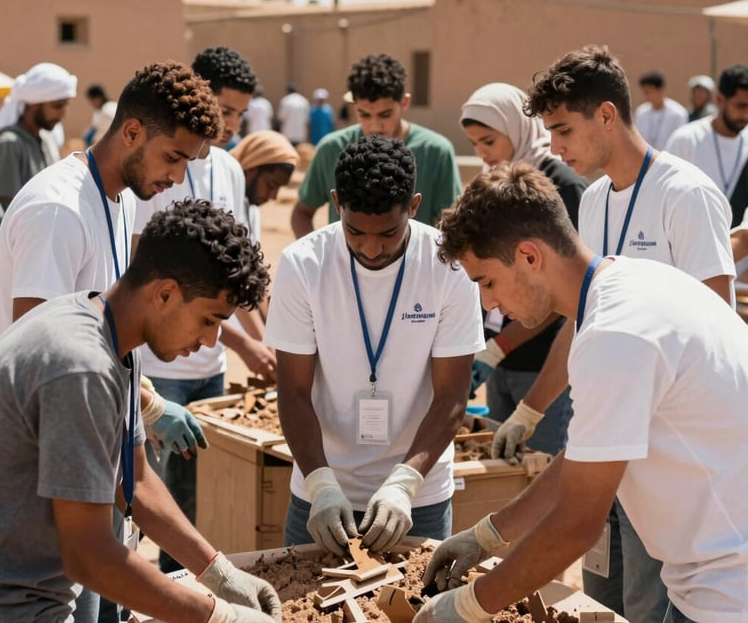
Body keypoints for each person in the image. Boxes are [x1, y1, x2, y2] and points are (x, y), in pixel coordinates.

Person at [417, 162, 748, 623]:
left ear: (530, 256)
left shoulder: (615, 335)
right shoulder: (626, 286)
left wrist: (468, 605)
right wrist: (489, 534)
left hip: (730, 589)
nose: (489, 304)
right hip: (714, 575)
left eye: (487, 282)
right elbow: (583, 460)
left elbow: (576, 525)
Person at [489, 45, 735, 623]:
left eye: (563, 129)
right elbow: (583, 319)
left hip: (664, 452)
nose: (555, 147)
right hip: (602, 438)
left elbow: (714, 326)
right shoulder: (595, 199)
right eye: (548, 132)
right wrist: (532, 407)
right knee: (599, 601)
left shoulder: (686, 194)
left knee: (649, 603)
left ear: (606, 115)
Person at [0, 60, 223, 622]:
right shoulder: (58, 212)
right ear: (132, 132)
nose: (178, 177)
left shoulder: (120, 197)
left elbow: (113, 330)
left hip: (90, 468)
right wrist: (150, 404)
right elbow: (52, 365)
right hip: (36, 509)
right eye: (174, 157)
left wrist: (218, 574)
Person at [0, 199, 281, 623]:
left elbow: (133, 481)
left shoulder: (113, 336)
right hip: (3, 604)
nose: (213, 341)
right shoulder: (80, 365)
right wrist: (217, 616)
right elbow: (89, 555)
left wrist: (217, 571)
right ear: (165, 293)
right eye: (210, 319)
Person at [264, 134, 484, 557]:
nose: (370, 248)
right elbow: (292, 391)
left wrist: (405, 484)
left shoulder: (448, 267)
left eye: (387, 234)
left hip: (418, 498)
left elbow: (452, 397)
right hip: (320, 492)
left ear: (414, 207)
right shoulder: (303, 264)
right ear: (335, 202)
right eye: (354, 231)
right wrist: (321, 485)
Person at [132, 47, 279, 574]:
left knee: (196, 502)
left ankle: (182, 591)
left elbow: (234, 275)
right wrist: (243, 342)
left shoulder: (232, 171)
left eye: (241, 113)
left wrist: (261, 342)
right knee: (151, 495)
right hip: (162, 369)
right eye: (226, 109)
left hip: (208, 368)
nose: (232, 124)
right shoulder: (158, 169)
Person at [459, 83, 586, 455]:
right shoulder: (497, 186)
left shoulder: (562, 185)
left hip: (546, 364)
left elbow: (564, 288)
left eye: (489, 141)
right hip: (498, 360)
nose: (483, 154)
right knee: (506, 466)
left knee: (544, 466)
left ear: (516, 129)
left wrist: (500, 347)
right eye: (474, 145)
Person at [291, 54, 462, 237]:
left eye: (385, 114)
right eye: (364, 114)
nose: (374, 126)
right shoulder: (332, 148)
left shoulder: (436, 152)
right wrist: (319, 259)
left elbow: (452, 225)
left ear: (404, 103)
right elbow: (302, 212)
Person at [0, 62, 77, 208]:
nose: (63, 114)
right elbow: (2, 209)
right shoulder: (9, 144)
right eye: (57, 106)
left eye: (65, 105)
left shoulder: (44, 141)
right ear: (34, 103)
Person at [666, 64, 748, 226]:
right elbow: (665, 201)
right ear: (720, 100)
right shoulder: (686, 141)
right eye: (741, 106)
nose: (746, 114)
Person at [231, 129, 300, 241]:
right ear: (251, 168)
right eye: (271, 185)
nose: (274, 196)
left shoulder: (252, 205)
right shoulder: (219, 201)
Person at [633, 70, 688, 150]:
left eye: (648, 92)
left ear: (660, 90)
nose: (645, 96)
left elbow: (681, 143)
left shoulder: (678, 114)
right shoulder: (641, 112)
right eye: (644, 92)